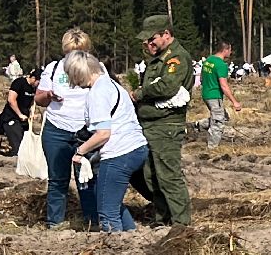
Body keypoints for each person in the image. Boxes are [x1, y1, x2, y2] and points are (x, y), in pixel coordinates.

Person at [60, 51, 149, 232]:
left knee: (107, 212)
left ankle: (115, 250)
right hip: (137, 148)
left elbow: (103, 134)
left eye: (72, 76)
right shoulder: (112, 85)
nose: (73, 82)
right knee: (112, 202)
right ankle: (131, 238)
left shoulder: (98, 93)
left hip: (119, 153)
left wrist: (80, 152)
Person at [130, 15, 193, 225]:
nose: (149, 44)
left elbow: (168, 86)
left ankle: (181, 222)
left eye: (152, 39)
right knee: (151, 175)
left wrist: (139, 94)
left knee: (168, 175)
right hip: (151, 125)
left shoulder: (176, 58)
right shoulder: (158, 59)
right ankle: (162, 216)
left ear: (166, 34)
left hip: (166, 126)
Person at [33, 29, 99, 227]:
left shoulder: (97, 68)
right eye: (71, 53)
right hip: (57, 129)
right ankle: (55, 223)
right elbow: (39, 98)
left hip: (86, 131)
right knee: (57, 179)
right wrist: (49, 96)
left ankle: (92, 221)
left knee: (86, 178)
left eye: (80, 52)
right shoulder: (54, 68)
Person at [201, 40, 244, 148]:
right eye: (230, 50)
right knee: (218, 122)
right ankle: (212, 147)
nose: (231, 52)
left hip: (206, 93)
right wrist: (235, 102)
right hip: (215, 96)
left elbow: (202, 77)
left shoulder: (208, 60)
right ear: (225, 50)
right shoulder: (221, 65)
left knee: (223, 116)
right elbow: (224, 86)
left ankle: (199, 125)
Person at [0, 66, 38, 156]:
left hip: (24, 119)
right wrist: (19, 114)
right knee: (18, 143)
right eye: (38, 82)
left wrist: (32, 114)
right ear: (33, 78)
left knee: (28, 141)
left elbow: (32, 103)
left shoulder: (34, 88)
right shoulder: (19, 83)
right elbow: (11, 100)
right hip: (11, 117)